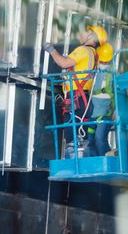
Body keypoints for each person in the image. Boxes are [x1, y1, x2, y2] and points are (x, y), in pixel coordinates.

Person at [43, 25, 108, 158]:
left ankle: (74, 164)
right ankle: (80, 162)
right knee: (79, 137)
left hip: (76, 99)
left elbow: (63, 63)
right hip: (83, 100)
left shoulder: (83, 50)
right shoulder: (94, 55)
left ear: (91, 36)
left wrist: (51, 50)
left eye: (85, 32)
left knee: (72, 138)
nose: (81, 34)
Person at [85, 42, 114, 157]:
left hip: (106, 112)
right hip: (93, 113)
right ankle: (94, 162)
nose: (104, 64)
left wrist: (115, 111)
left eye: (106, 62)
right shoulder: (95, 73)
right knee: (90, 140)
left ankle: (106, 161)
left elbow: (119, 93)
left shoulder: (113, 74)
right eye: (102, 62)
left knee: (100, 138)